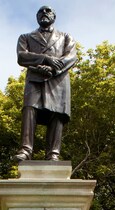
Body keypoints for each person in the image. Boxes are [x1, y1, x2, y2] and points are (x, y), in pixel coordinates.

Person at [14, 5, 77, 161]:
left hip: (58, 79)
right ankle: (26, 150)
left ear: (54, 16)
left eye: (48, 11)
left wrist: (52, 70)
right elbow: (22, 56)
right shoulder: (25, 37)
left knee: (57, 114)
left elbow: (71, 58)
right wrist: (45, 59)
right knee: (29, 109)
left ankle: (53, 153)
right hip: (35, 78)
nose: (44, 13)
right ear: (36, 17)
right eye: (41, 11)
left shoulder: (65, 37)